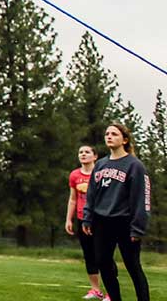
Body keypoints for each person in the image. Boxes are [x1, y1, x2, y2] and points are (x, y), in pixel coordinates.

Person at [83, 124, 151, 301]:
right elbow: (91, 195)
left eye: (114, 134)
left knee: (132, 266)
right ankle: (115, 298)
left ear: (125, 139)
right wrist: (88, 218)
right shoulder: (100, 165)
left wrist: (138, 227)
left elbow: (141, 199)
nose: (109, 136)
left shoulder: (135, 165)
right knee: (103, 263)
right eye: (107, 134)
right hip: (102, 222)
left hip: (125, 222)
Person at [67, 144, 105, 300]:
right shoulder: (74, 175)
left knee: (103, 255)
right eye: (80, 152)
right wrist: (69, 219)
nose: (83, 154)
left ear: (95, 156)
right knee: (89, 255)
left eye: (87, 152)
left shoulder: (101, 173)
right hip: (82, 219)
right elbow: (73, 198)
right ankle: (95, 290)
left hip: (100, 219)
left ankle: (111, 292)